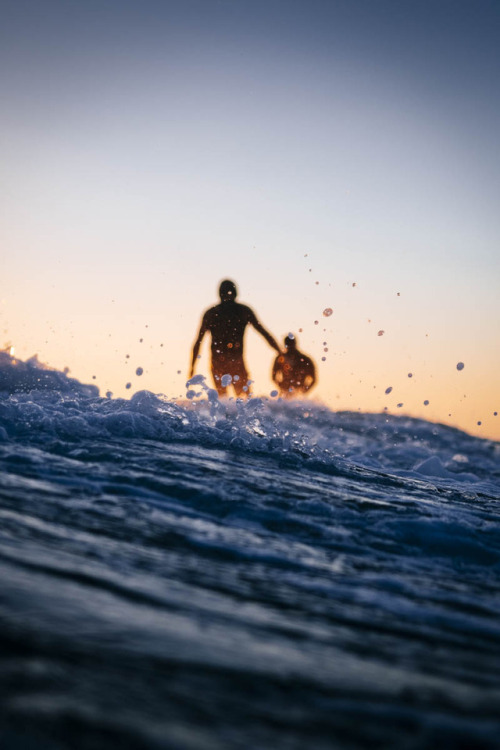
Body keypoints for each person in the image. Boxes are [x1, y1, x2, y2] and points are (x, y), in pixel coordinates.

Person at [190, 279, 281, 397]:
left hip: (220, 363)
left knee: (224, 400)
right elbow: (264, 333)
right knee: (245, 401)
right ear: (235, 293)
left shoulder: (212, 313)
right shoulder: (242, 311)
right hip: (234, 362)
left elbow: (198, 342)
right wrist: (280, 352)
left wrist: (192, 366)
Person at [272, 334, 316, 398]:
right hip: (287, 394)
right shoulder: (281, 359)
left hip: (297, 394)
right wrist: (282, 387)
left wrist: (303, 391)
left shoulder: (305, 360)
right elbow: (273, 377)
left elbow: (314, 379)